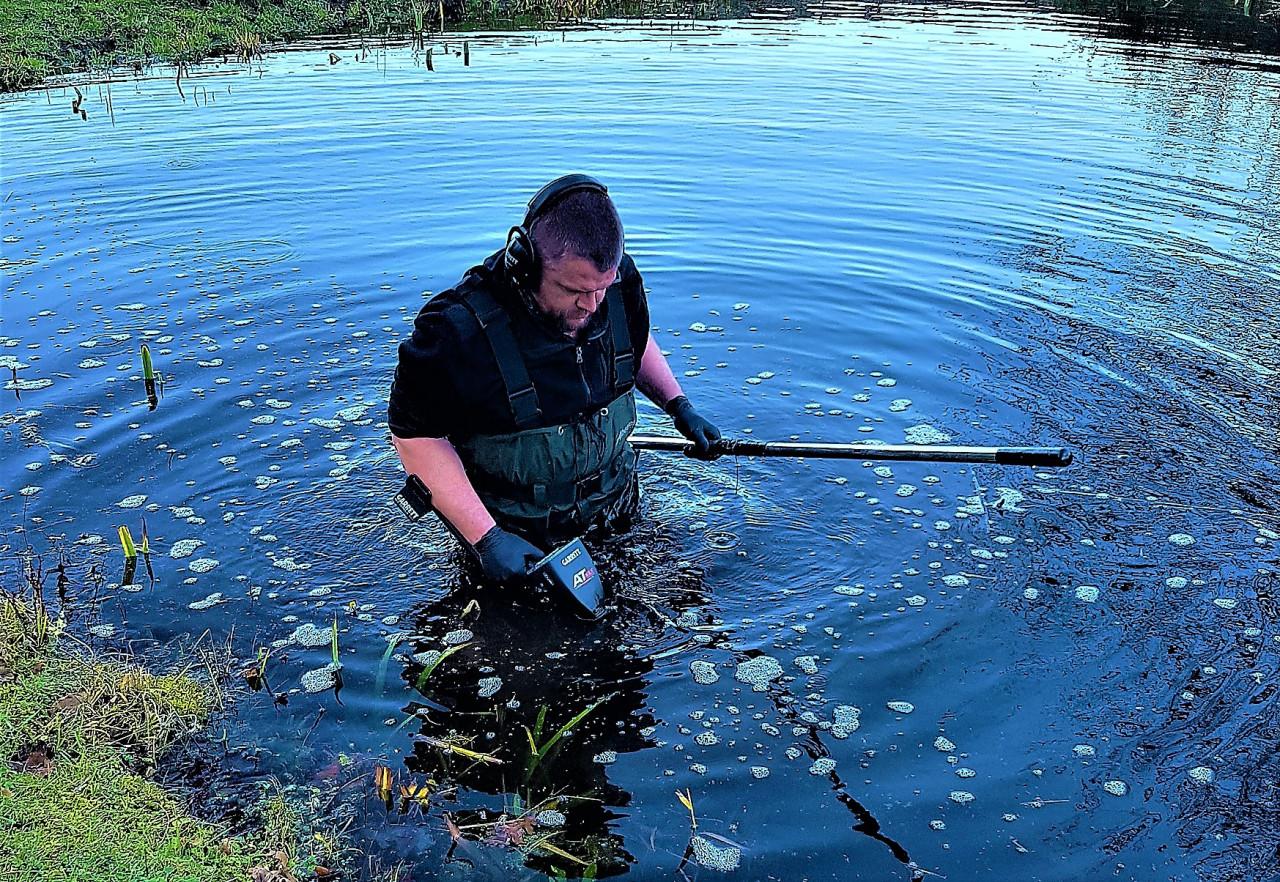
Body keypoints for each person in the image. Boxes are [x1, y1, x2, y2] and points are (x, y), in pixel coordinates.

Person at [388, 174, 721, 584]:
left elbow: (634, 340)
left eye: (601, 287)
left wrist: (678, 405)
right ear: (525, 264)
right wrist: (487, 540)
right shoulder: (455, 333)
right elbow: (414, 435)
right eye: (572, 290)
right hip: (519, 538)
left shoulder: (615, 286)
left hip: (615, 505)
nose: (591, 305)